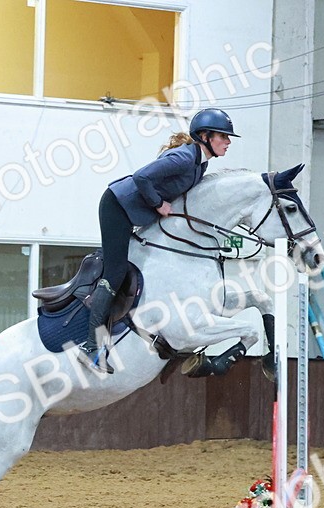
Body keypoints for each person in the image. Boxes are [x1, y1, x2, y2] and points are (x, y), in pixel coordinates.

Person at [80, 107, 239, 373]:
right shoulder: (184, 158)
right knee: (116, 271)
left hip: (135, 211)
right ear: (205, 136)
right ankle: (91, 347)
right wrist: (158, 204)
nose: (228, 142)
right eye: (223, 136)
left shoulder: (201, 163)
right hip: (117, 206)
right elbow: (142, 177)